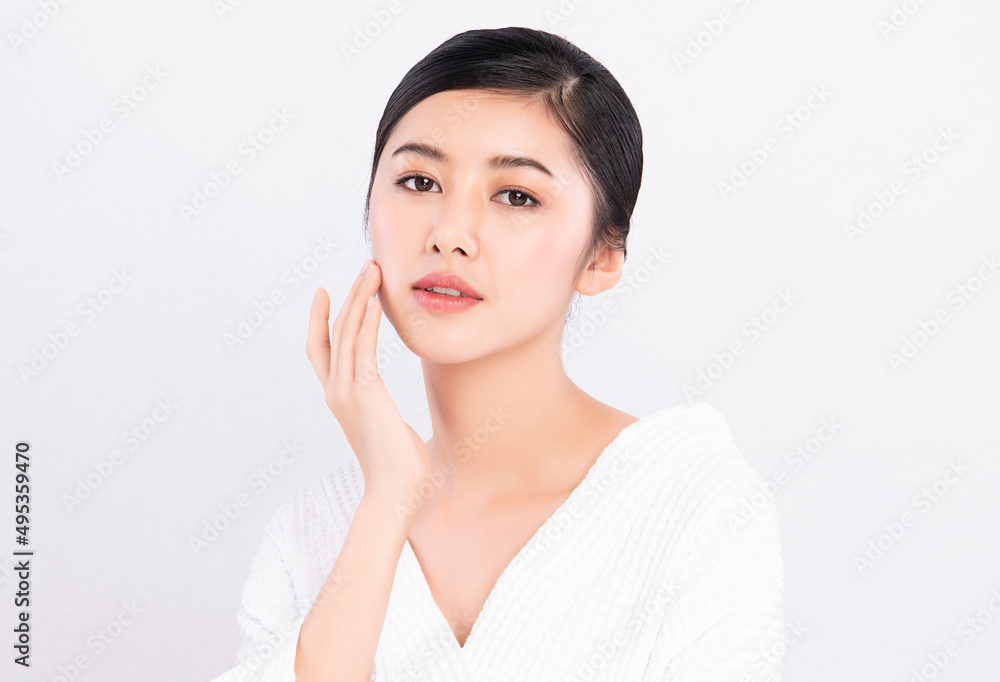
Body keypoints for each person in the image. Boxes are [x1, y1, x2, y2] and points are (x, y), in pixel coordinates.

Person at [211, 26, 783, 682]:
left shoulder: (697, 509)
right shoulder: (311, 531)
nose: (449, 234)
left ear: (601, 257)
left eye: (517, 196)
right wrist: (389, 499)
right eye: (419, 181)